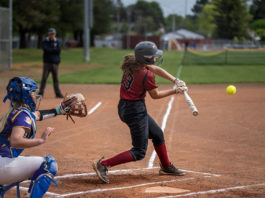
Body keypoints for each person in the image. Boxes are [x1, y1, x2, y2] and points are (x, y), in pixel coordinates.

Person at [92, 41, 188, 184]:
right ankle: (103, 165)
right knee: (139, 151)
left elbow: (155, 69)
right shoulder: (145, 74)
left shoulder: (133, 64)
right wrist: (175, 90)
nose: (156, 58)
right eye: (154, 56)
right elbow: (155, 95)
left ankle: (166, 166)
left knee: (157, 134)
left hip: (124, 107)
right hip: (135, 111)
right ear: (146, 58)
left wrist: (175, 80)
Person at [0, 77, 69, 197]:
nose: (35, 96)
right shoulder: (22, 115)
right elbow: (15, 141)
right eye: (33, 93)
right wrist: (41, 140)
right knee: (49, 164)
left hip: (2, 164)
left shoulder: (14, 112)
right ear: (25, 95)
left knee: (25, 162)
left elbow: (36, 115)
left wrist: (58, 111)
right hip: (3, 166)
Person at [39, 28, 63, 98]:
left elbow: (58, 51)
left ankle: (58, 93)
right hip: (47, 63)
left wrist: (51, 50)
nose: (52, 35)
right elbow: (46, 49)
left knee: (55, 79)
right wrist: (53, 50)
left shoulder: (57, 42)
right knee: (44, 78)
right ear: (48, 34)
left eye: (53, 34)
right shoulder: (45, 41)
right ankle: (41, 93)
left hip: (55, 63)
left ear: (55, 34)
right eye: (50, 34)